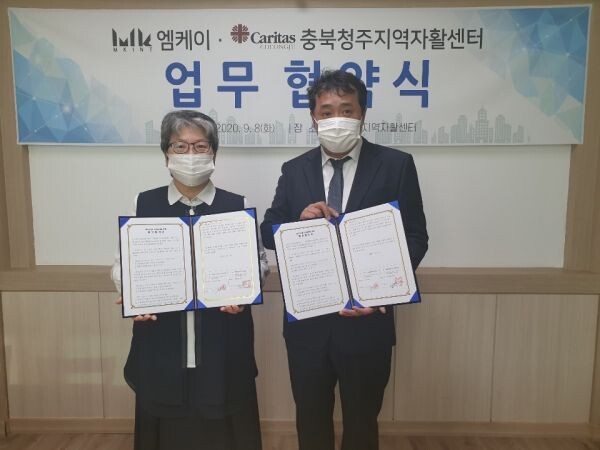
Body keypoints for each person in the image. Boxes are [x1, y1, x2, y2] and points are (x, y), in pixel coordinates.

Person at [260, 70, 428, 450]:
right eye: (326, 111)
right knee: (310, 421)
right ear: (313, 118)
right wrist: (297, 221)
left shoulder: (396, 165)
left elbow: (416, 236)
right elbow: (268, 230)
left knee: (362, 423)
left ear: (362, 114)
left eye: (347, 110)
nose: (336, 118)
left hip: (367, 324)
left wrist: (384, 292)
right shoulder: (294, 169)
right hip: (307, 324)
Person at [111, 110, 266, 450]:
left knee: (226, 425)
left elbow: (258, 262)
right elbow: (123, 264)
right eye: (180, 146)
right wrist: (132, 293)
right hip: (162, 339)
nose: (190, 154)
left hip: (222, 340)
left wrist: (246, 290)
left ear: (214, 153)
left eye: (200, 146)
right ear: (166, 154)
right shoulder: (144, 202)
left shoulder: (237, 204)